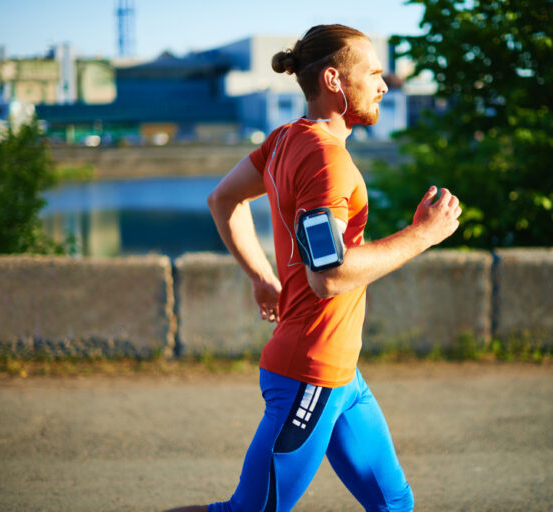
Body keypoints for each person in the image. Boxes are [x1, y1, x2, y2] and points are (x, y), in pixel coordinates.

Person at [167, 24, 462, 512]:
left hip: (342, 375)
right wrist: (422, 235)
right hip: (311, 373)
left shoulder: (284, 140)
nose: (384, 85)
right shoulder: (327, 162)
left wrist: (264, 278)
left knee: (395, 506)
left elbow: (224, 200)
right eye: (372, 73)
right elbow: (328, 276)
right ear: (333, 80)